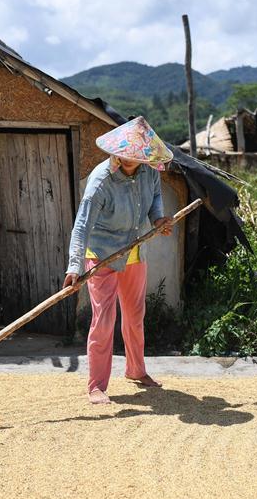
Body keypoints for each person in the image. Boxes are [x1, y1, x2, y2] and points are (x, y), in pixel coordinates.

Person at [63, 117, 175, 405]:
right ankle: (96, 386)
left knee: (135, 316)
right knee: (104, 320)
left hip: (136, 252)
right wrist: (74, 266)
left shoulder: (150, 172)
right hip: (102, 255)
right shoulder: (101, 180)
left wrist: (159, 219)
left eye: (135, 155)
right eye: (125, 154)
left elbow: (155, 200)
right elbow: (82, 225)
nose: (128, 159)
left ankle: (136, 371)